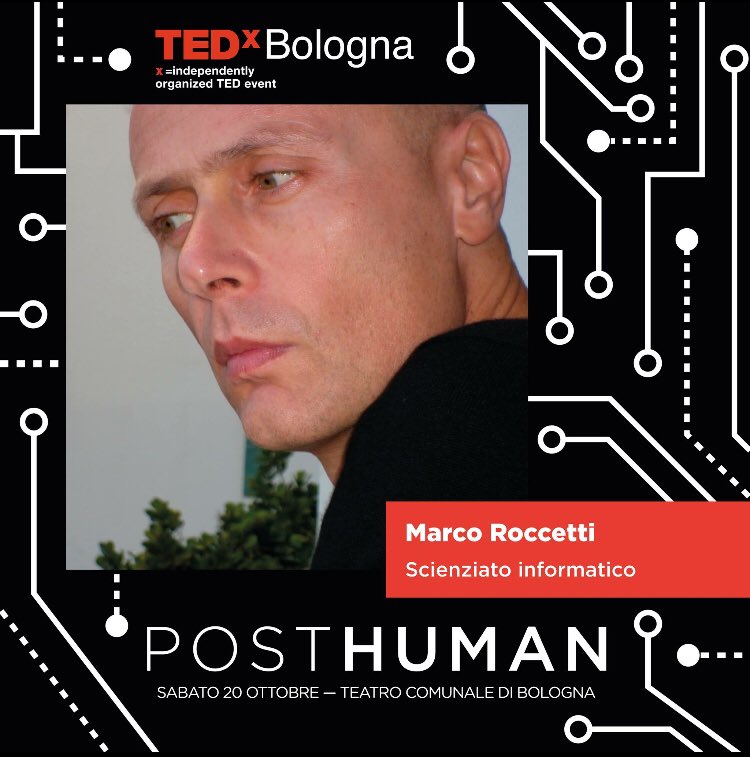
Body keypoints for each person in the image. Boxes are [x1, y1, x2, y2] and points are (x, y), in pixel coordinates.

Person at [129, 104, 527, 570]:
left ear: (471, 178)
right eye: (171, 221)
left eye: (272, 179)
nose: (196, 266)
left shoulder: (453, 429)